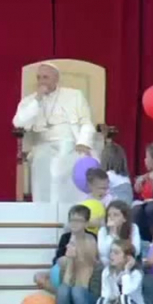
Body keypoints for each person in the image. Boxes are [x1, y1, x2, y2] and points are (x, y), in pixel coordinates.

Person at [12, 62, 96, 203]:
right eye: (39, 78)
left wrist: (83, 142)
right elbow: (18, 123)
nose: (41, 81)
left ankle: (67, 211)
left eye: (45, 77)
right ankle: (45, 213)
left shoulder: (74, 95)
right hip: (43, 146)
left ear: (56, 79)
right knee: (43, 162)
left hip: (71, 145)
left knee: (63, 163)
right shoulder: (30, 100)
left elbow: (86, 122)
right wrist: (37, 101)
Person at [55, 206, 99, 304]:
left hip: (88, 296)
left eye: (78, 220)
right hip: (70, 297)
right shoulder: (66, 238)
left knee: (77, 291)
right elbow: (66, 277)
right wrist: (70, 260)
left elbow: (87, 272)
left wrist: (77, 256)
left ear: (86, 223)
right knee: (63, 291)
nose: (74, 224)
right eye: (72, 220)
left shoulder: (91, 239)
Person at [96, 240, 152, 304]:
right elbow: (106, 295)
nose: (112, 255)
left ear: (128, 257)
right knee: (101, 301)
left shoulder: (136, 274)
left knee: (124, 298)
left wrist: (126, 271)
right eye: (111, 252)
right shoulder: (107, 272)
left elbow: (127, 293)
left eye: (116, 253)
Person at [97, 201, 141, 266]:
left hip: (128, 263)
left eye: (116, 215)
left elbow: (136, 250)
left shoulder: (133, 228)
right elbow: (103, 252)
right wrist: (112, 234)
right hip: (108, 265)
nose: (111, 218)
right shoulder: (103, 230)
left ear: (124, 218)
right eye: (109, 215)